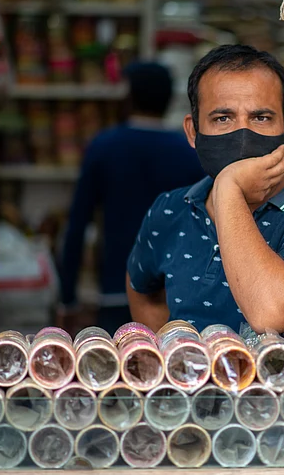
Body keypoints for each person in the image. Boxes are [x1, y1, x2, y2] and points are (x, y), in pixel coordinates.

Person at [126, 45, 284, 333]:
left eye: (261, 118)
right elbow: (140, 284)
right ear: (192, 131)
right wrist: (170, 351)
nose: (242, 137)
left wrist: (229, 188)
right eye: (222, 119)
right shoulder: (170, 209)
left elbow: (270, 314)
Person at [58, 62, 205, 335]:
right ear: (169, 99)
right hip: (174, 294)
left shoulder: (104, 147)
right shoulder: (189, 153)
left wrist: (68, 297)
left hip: (116, 288)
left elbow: (77, 225)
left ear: (128, 97)